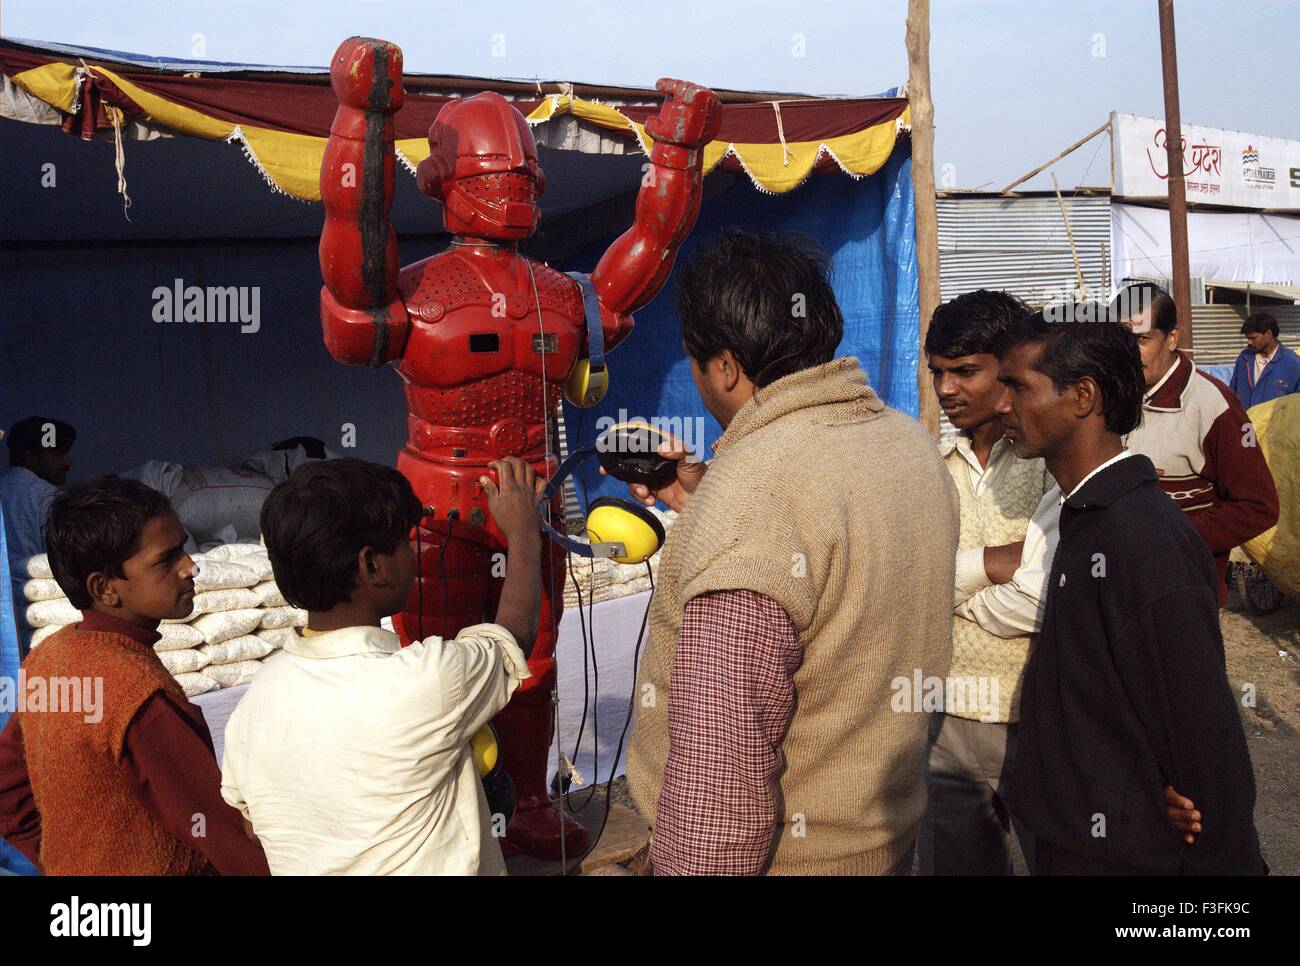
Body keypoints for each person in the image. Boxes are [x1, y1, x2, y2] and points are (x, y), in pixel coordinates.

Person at [623, 229, 959, 875]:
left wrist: (730, 506)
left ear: (723, 365)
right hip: (887, 837)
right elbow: (831, 586)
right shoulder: (905, 443)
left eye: (695, 362)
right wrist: (708, 508)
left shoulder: (755, 494)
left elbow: (719, 777)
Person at [997, 310, 1265, 875]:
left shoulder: (1142, 536)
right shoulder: (1089, 515)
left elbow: (1201, 731)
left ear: (1083, 396)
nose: (1004, 406)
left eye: (1019, 387)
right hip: (1083, 838)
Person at [220, 456, 541, 875]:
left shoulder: (257, 699)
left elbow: (252, 824)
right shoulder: (428, 679)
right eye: (405, 543)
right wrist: (524, 533)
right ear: (371, 564)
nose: (414, 554)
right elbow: (513, 637)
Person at [0, 476, 269, 875]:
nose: (190, 566)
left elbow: (8, 792)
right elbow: (218, 833)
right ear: (105, 588)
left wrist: (66, 861)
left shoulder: (48, 661)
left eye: (184, 548)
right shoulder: (138, 695)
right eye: (167, 558)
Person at [919, 290, 1057, 876]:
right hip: (945, 721)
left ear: (1013, 368)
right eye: (938, 373)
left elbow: (1044, 598)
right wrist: (991, 563)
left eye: (965, 371)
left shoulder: (1053, 460)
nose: (947, 389)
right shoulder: (929, 469)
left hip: (1040, 718)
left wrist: (948, 584)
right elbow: (909, 589)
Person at [1112, 284, 1278, 604]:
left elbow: (1259, 507)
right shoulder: (1112, 396)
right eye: (1120, 339)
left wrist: (1168, 536)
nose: (1127, 352)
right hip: (1119, 589)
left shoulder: (1212, 406)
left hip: (1183, 596)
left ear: (1172, 338)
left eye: (1141, 339)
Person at [0, 417, 76, 655]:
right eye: (57, 454)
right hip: (39, 624)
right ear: (30, 457)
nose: (67, 462)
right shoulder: (50, 498)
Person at [1229, 311, 1300, 409]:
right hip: (1245, 423)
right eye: (1247, 338)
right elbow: (1232, 393)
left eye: (1253, 338)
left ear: (1268, 334)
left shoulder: (1294, 364)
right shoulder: (1244, 358)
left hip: (1274, 423)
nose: (1249, 342)